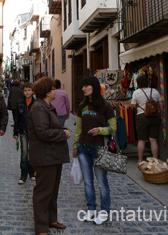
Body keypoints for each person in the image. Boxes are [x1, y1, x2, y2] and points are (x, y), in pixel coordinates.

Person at [28, 77, 70, 235]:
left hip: (53, 155)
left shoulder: (47, 106)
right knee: (43, 192)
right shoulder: (39, 108)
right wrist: (63, 133)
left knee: (53, 190)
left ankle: (51, 219)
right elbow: (43, 132)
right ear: (47, 92)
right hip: (45, 156)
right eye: (53, 89)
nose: (55, 91)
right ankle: (41, 227)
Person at [72, 76, 116, 225]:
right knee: (88, 182)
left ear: (94, 87)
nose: (83, 88)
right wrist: (75, 146)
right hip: (83, 147)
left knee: (102, 182)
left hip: (99, 149)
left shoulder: (105, 106)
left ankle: (104, 211)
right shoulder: (81, 106)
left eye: (86, 86)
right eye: (83, 86)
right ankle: (91, 209)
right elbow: (78, 128)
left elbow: (113, 127)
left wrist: (101, 130)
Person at [130, 75, 164, 163]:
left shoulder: (136, 92)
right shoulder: (155, 91)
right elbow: (161, 104)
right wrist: (161, 115)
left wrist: (139, 105)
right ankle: (155, 159)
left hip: (142, 116)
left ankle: (140, 160)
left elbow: (133, 105)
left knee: (141, 139)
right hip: (155, 116)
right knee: (153, 139)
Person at [13, 82, 35, 184]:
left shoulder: (36, 103)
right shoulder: (19, 103)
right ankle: (23, 174)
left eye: (29, 90)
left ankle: (32, 172)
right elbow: (16, 118)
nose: (27, 92)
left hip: (34, 132)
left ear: (33, 91)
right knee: (24, 152)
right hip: (23, 131)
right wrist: (15, 132)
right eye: (25, 90)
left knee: (32, 152)